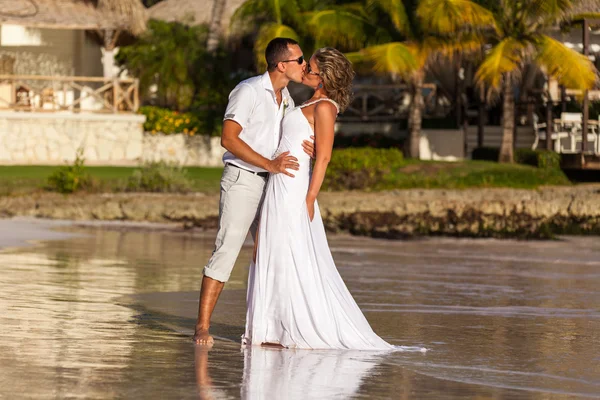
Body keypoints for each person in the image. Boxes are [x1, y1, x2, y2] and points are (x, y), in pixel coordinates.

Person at [243, 48, 400, 350]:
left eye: (310, 68)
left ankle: (287, 327)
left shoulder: (325, 106)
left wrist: (310, 197)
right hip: (279, 183)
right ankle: (270, 327)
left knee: (289, 252)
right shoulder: (306, 101)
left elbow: (325, 156)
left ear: (324, 77)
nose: (304, 70)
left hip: (294, 189)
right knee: (272, 250)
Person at [193, 38, 314, 345]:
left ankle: (265, 330)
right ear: (281, 65)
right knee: (227, 250)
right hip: (243, 180)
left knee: (272, 252)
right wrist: (269, 164)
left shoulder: (286, 96)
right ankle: (202, 328)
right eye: (300, 59)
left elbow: (288, 134)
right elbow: (229, 138)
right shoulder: (247, 91)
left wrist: (308, 145)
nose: (305, 64)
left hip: (273, 185)